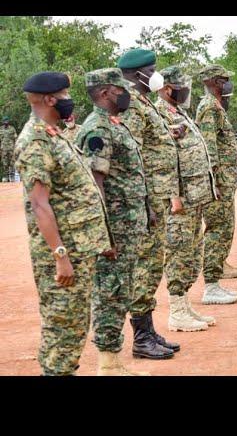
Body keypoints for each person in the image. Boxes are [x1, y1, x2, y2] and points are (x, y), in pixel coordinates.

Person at [14, 71, 112, 375]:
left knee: (75, 325)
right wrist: (60, 257)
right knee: (62, 329)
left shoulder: (54, 133)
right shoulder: (35, 140)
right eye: (66, 96)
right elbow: (39, 205)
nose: (71, 101)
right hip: (62, 254)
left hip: (80, 248)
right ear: (50, 99)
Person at [78, 68, 169, 374]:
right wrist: (104, 234)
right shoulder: (98, 129)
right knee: (110, 293)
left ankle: (113, 361)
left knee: (121, 291)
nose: (127, 93)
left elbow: (129, 175)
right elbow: (95, 183)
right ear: (105, 92)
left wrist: (147, 211)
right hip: (114, 229)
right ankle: (108, 364)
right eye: (121, 89)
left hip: (128, 225)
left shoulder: (114, 124)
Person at [117, 48, 181, 355]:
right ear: (137, 73)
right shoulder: (131, 104)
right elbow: (133, 157)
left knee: (154, 265)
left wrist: (170, 132)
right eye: (152, 69)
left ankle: (150, 332)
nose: (157, 74)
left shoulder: (142, 101)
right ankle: (141, 339)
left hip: (156, 197)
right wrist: (143, 205)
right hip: (147, 201)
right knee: (146, 266)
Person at [156, 65, 221, 328]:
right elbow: (165, 159)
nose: (188, 92)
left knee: (193, 251)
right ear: (168, 88)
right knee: (179, 251)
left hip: (195, 196)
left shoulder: (178, 112)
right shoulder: (160, 114)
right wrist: (174, 196)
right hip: (180, 199)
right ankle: (176, 312)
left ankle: (185, 305)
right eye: (183, 87)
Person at [195, 64, 237, 304]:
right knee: (216, 229)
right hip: (217, 182)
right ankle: (211, 286)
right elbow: (209, 146)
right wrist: (213, 180)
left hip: (224, 180)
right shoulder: (208, 107)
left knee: (224, 227)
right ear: (214, 82)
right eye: (224, 79)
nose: (228, 83)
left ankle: (216, 280)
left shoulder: (215, 106)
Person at [1, 116, 18, 181]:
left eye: (7, 121)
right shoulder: (0, 129)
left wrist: (16, 147)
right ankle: (6, 176)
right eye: (5, 121)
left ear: (8, 122)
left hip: (11, 148)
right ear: (3, 122)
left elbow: (15, 138)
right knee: (5, 163)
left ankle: (12, 176)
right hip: (3, 149)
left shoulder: (12, 129)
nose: (6, 122)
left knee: (12, 163)